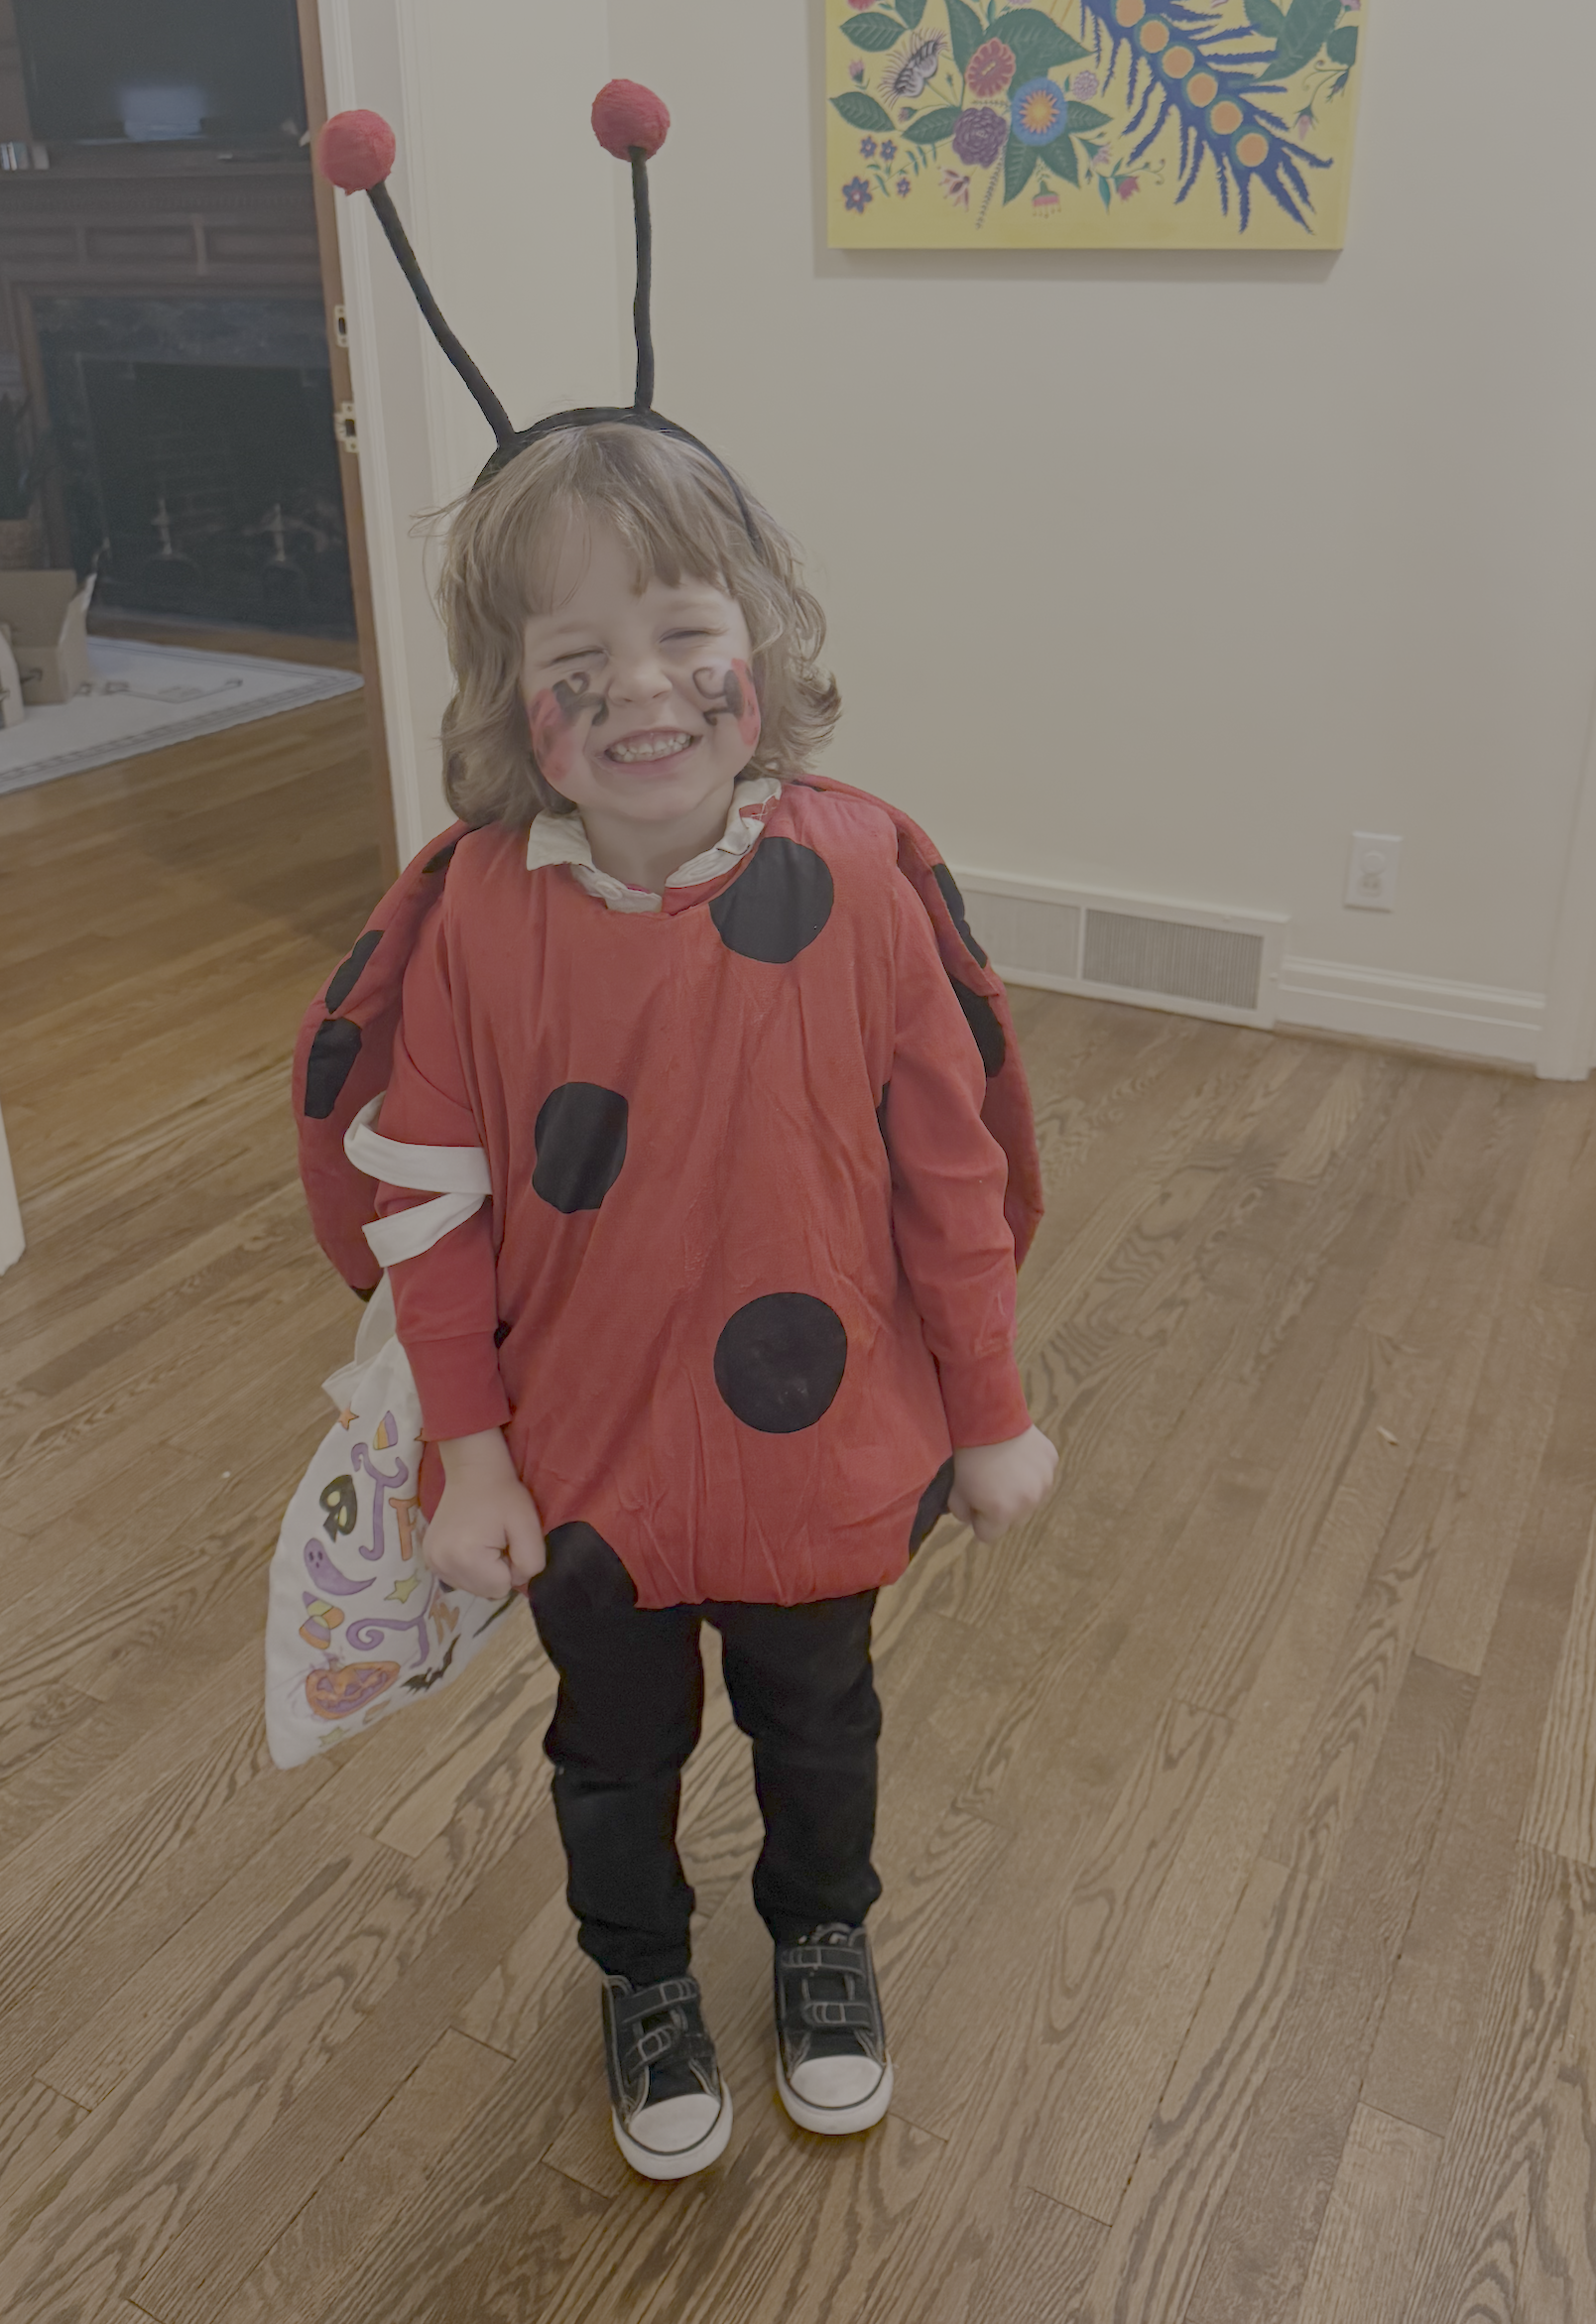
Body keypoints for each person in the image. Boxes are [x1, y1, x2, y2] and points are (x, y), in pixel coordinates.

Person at [350, 417, 1057, 2181]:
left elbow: (946, 1175)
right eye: (574, 659)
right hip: (587, 1462)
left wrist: (989, 1406)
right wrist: (473, 1455)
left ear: (762, 638)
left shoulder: (860, 881)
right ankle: (644, 1971)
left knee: (821, 1717)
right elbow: (425, 1207)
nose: (642, 692)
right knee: (613, 1743)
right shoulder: (478, 923)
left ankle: (822, 1934)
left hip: (810, 1446)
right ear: (509, 699)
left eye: (681, 631)